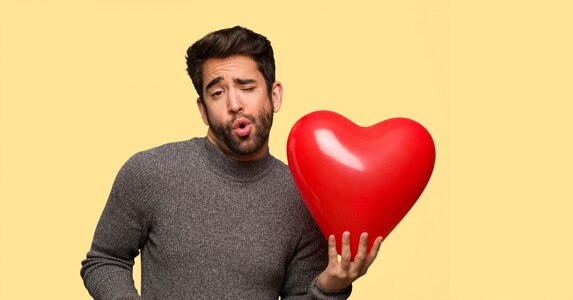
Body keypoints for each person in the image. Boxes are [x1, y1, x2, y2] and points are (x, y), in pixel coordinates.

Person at [80, 26, 383, 299]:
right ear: (203, 109)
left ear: (274, 96)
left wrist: (329, 288)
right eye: (218, 92)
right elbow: (104, 260)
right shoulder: (151, 172)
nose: (234, 104)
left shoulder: (302, 197)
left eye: (247, 87)